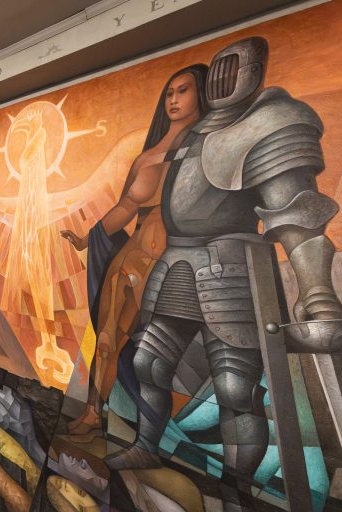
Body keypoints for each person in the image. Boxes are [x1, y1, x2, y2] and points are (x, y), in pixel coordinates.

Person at [104, 37, 342, 512]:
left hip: (232, 269)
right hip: (177, 264)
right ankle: (146, 447)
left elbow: (296, 214)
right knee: (147, 364)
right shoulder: (193, 133)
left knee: (235, 390)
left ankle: (236, 489)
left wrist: (317, 293)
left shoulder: (271, 121)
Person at [61, 64, 209, 433]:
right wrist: (86, 239)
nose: (174, 99)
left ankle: (150, 432)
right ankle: (93, 413)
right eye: (169, 92)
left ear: (202, 93)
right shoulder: (146, 158)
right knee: (107, 339)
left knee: (154, 353)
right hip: (131, 259)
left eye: (183, 90)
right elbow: (125, 208)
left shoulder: (207, 147)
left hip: (175, 264)